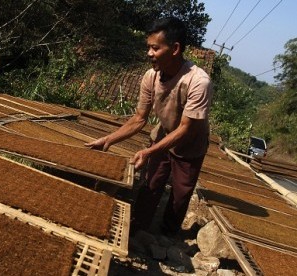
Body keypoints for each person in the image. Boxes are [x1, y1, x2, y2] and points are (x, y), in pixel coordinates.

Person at [85, 17, 213, 236]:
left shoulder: (198, 82)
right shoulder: (150, 76)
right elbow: (138, 118)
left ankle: (166, 236)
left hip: (190, 144)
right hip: (163, 134)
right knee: (151, 184)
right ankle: (138, 227)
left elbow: (186, 129)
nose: (149, 53)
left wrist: (148, 151)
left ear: (175, 49)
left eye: (155, 48)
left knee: (180, 195)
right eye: (148, 47)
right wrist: (108, 140)